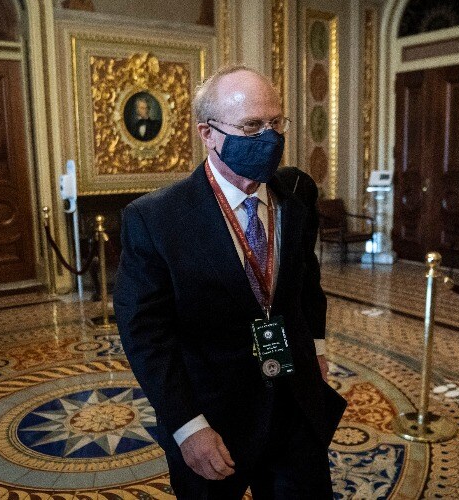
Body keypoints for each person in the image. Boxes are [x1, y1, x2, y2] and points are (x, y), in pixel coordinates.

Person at [114, 65, 346, 499]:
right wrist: (187, 426)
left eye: (276, 122)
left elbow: (306, 280)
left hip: (294, 403)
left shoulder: (297, 192)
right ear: (208, 133)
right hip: (214, 417)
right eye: (252, 126)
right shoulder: (155, 219)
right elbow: (145, 333)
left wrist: (315, 347)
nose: (270, 137)